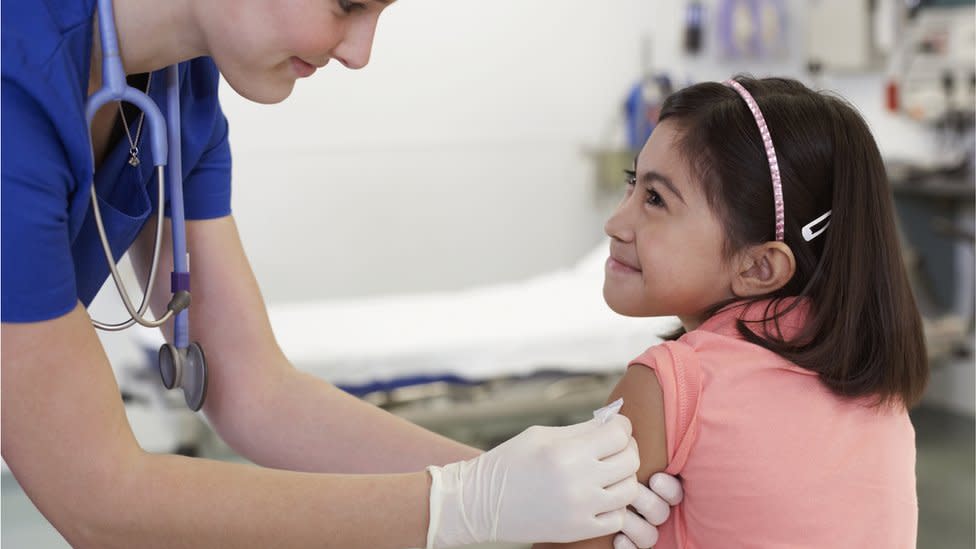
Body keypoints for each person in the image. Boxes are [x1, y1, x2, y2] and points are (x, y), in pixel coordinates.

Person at [0, 0, 685, 547]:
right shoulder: (14, 80)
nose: (359, 53)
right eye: (347, 5)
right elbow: (101, 499)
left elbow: (254, 390)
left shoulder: (183, 89)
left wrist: (521, 482)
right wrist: (459, 506)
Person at [535, 76, 929, 549]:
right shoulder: (884, 401)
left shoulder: (671, 387)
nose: (616, 222)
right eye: (632, 184)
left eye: (656, 199)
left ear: (759, 266)